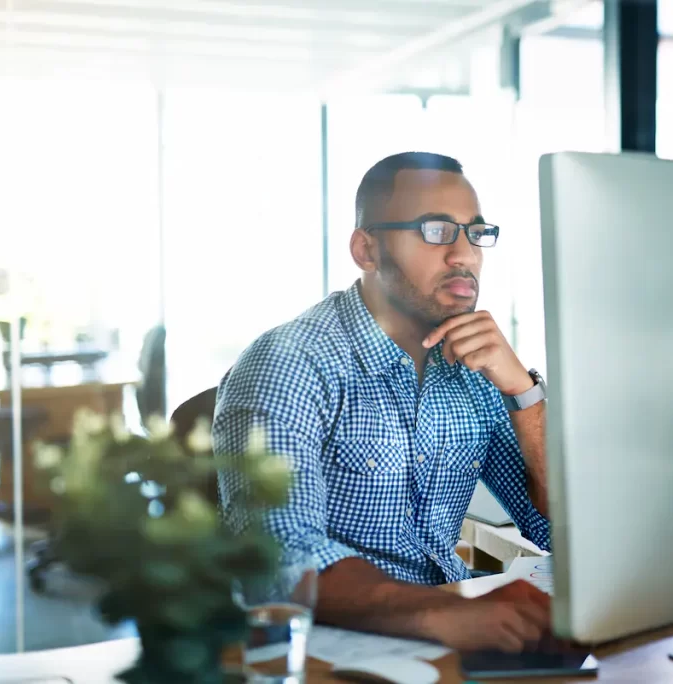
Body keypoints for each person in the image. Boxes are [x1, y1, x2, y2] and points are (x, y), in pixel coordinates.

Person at [214, 152, 553, 652]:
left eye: (476, 234)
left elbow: (558, 529)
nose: (464, 255)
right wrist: (443, 612)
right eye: (437, 231)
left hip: (442, 633)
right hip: (322, 647)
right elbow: (281, 556)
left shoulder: (475, 365)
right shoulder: (289, 363)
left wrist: (525, 393)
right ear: (366, 250)